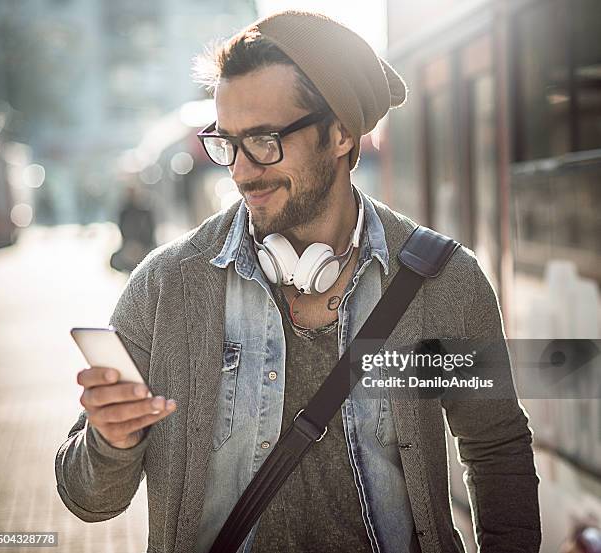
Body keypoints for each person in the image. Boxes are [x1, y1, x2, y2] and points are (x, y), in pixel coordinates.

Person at [55, 10, 541, 553]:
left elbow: (495, 448)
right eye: (227, 143)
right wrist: (112, 441)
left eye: (264, 140)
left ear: (339, 134)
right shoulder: (167, 287)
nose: (239, 170)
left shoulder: (444, 282)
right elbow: (88, 500)